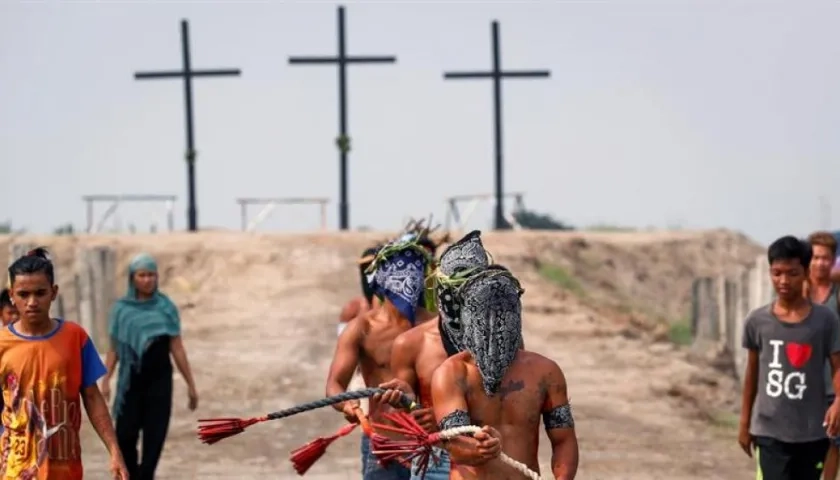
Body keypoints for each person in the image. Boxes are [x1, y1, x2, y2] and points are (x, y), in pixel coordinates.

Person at [0, 247, 128, 479]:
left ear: (54, 292)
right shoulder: (2, 345)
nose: (32, 302)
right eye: (23, 294)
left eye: (40, 293)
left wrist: (114, 450)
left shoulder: (74, 337)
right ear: (11, 295)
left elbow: (92, 397)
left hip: (65, 469)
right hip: (14, 469)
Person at [382, 230, 492, 480]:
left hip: (486, 453)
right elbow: (406, 414)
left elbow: (511, 400)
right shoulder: (412, 343)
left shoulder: (503, 341)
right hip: (435, 458)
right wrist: (409, 405)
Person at [326, 236, 434, 480]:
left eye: (414, 273)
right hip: (383, 443)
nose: (407, 281)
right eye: (399, 273)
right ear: (382, 280)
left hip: (431, 443)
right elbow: (334, 384)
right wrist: (347, 405)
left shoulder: (435, 327)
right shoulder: (362, 327)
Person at [739, 235, 840, 480]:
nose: (784, 281)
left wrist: (839, 402)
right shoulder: (757, 321)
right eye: (777, 273)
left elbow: (837, 366)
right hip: (770, 431)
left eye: (792, 273)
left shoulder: (825, 321)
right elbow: (752, 373)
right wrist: (744, 423)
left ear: (805, 272)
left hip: (812, 431)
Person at [102, 253, 198, 480]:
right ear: (132, 278)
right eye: (142, 275)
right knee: (124, 436)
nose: (147, 280)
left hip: (160, 382)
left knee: (154, 439)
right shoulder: (121, 311)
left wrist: (191, 385)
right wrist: (106, 380)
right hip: (130, 382)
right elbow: (115, 348)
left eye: (151, 275)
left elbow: (177, 348)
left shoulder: (166, 308)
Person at [804, 232, 840, 480]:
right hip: (803, 384)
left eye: (826, 258)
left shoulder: (838, 295)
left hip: (834, 383)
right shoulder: (798, 292)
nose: (821, 263)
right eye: (816, 257)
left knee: (834, 443)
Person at [338, 245, 384, 337]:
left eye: (375, 269)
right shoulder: (353, 309)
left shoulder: (400, 311)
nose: (370, 275)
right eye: (366, 269)